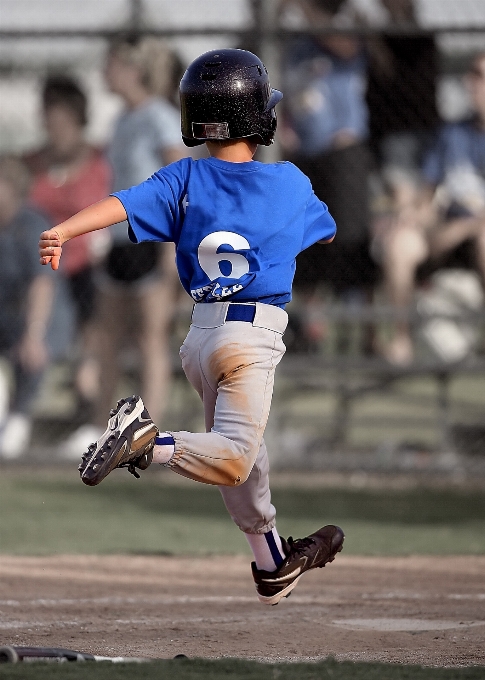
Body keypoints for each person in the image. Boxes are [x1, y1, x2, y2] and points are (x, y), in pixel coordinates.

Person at [38, 48, 344, 605]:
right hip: (251, 339)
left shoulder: (184, 178)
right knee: (232, 458)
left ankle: (271, 561)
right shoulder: (290, 183)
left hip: (201, 340)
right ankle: (144, 444)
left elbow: (121, 206)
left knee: (245, 459)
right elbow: (325, 232)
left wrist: (64, 229)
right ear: (258, 118)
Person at [64, 36, 187, 454]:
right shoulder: (121, 119)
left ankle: (145, 437)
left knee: (152, 338)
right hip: (119, 240)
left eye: (113, 65)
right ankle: (104, 430)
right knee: (107, 338)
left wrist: (173, 248)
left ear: (134, 70)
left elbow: (178, 184)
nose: (105, 73)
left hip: (152, 242)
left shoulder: (160, 117)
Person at [377, 51, 485, 364]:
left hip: (477, 236)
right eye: (471, 75)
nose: (471, 83)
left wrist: (470, 226)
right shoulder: (452, 134)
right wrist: (411, 215)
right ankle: (402, 342)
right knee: (400, 242)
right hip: (449, 230)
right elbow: (428, 196)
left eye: (480, 76)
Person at [282, 0, 376, 353]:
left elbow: (346, 45)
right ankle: (308, 331)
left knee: (351, 237)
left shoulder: (342, 30)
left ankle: (364, 334)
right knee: (305, 242)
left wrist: (306, 9)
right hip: (307, 155)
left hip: (345, 152)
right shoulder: (294, 45)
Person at [26, 75, 112, 421]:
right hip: (40, 268)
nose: (55, 130)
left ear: (79, 119)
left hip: (84, 266)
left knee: (94, 287)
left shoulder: (101, 164)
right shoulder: (31, 165)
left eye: (63, 121)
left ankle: (87, 386)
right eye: (49, 121)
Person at [0, 157, 54, 458]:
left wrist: (33, 334)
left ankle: (18, 419)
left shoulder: (32, 224)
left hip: (41, 315)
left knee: (31, 349)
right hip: (4, 314)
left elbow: (42, 285)